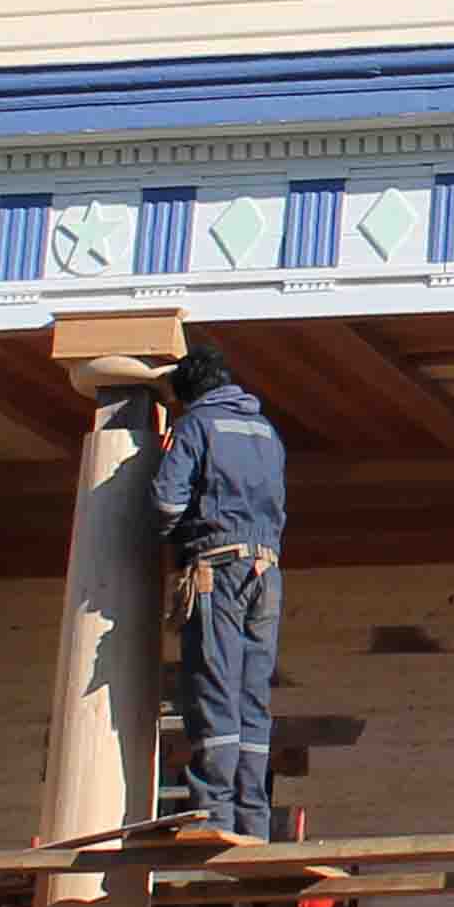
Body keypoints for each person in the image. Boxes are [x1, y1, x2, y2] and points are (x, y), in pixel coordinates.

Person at [154, 339, 287, 839]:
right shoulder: (265, 431)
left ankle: (213, 813)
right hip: (267, 571)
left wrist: (174, 534)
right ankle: (253, 819)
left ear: (189, 395)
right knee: (253, 694)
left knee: (213, 687)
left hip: (218, 570)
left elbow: (166, 503)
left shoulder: (195, 425)